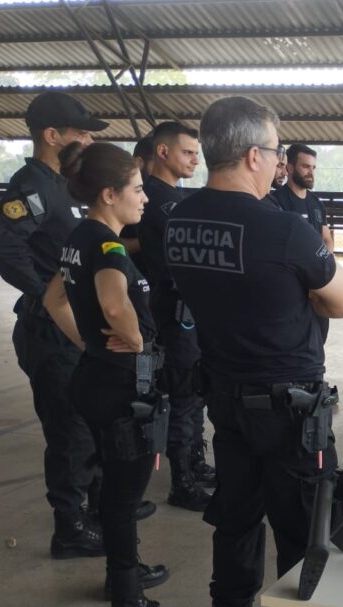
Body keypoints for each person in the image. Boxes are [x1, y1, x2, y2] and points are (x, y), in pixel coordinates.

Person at [165, 97, 343, 607]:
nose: (279, 163)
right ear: (254, 154)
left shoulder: (179, 220)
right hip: (291, 409)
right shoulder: (283, 228)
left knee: (237, 513)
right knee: (301, 525)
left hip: (224, 398)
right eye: (276, 152)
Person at [41, 141, 186, 607]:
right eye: (138, 189)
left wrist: (87, 343)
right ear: (109, 194)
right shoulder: (106, 245)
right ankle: (128, 602)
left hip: (95, 378)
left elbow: (54, 298)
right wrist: (141, 345)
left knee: (114, 491)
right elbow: (115, 303)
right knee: (124, 501)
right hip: (123, 387)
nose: (144, 199)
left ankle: (118, 576)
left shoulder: (79, 236)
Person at [0, 92, 114, 559]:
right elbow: (0, 243)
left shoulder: (66, 184)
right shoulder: (34, 185)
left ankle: (97, 508)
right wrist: (45, 293)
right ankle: (70, 526)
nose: (87, 138)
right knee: (70, 430)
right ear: (51, 136)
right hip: (51, 331)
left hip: (76, 328)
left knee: (90, 420)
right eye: (79, 132)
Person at [134, 121, 213, 512]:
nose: (194, 159)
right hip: (170, 310)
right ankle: (181, 480)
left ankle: (195, 464)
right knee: (182, 394)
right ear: (162, 152)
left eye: (196, 154)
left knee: (194, 390)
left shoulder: (175, 197)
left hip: (188, 310)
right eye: (187, 152)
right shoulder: (153, 198)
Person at [269, 144, 335, 254]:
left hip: (317, 267)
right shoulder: (275, 201)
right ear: (290, 168)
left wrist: (325, 262)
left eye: (313, 168)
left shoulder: (317, 203)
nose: (311, 173)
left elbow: (327, 239)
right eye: (306, 167)